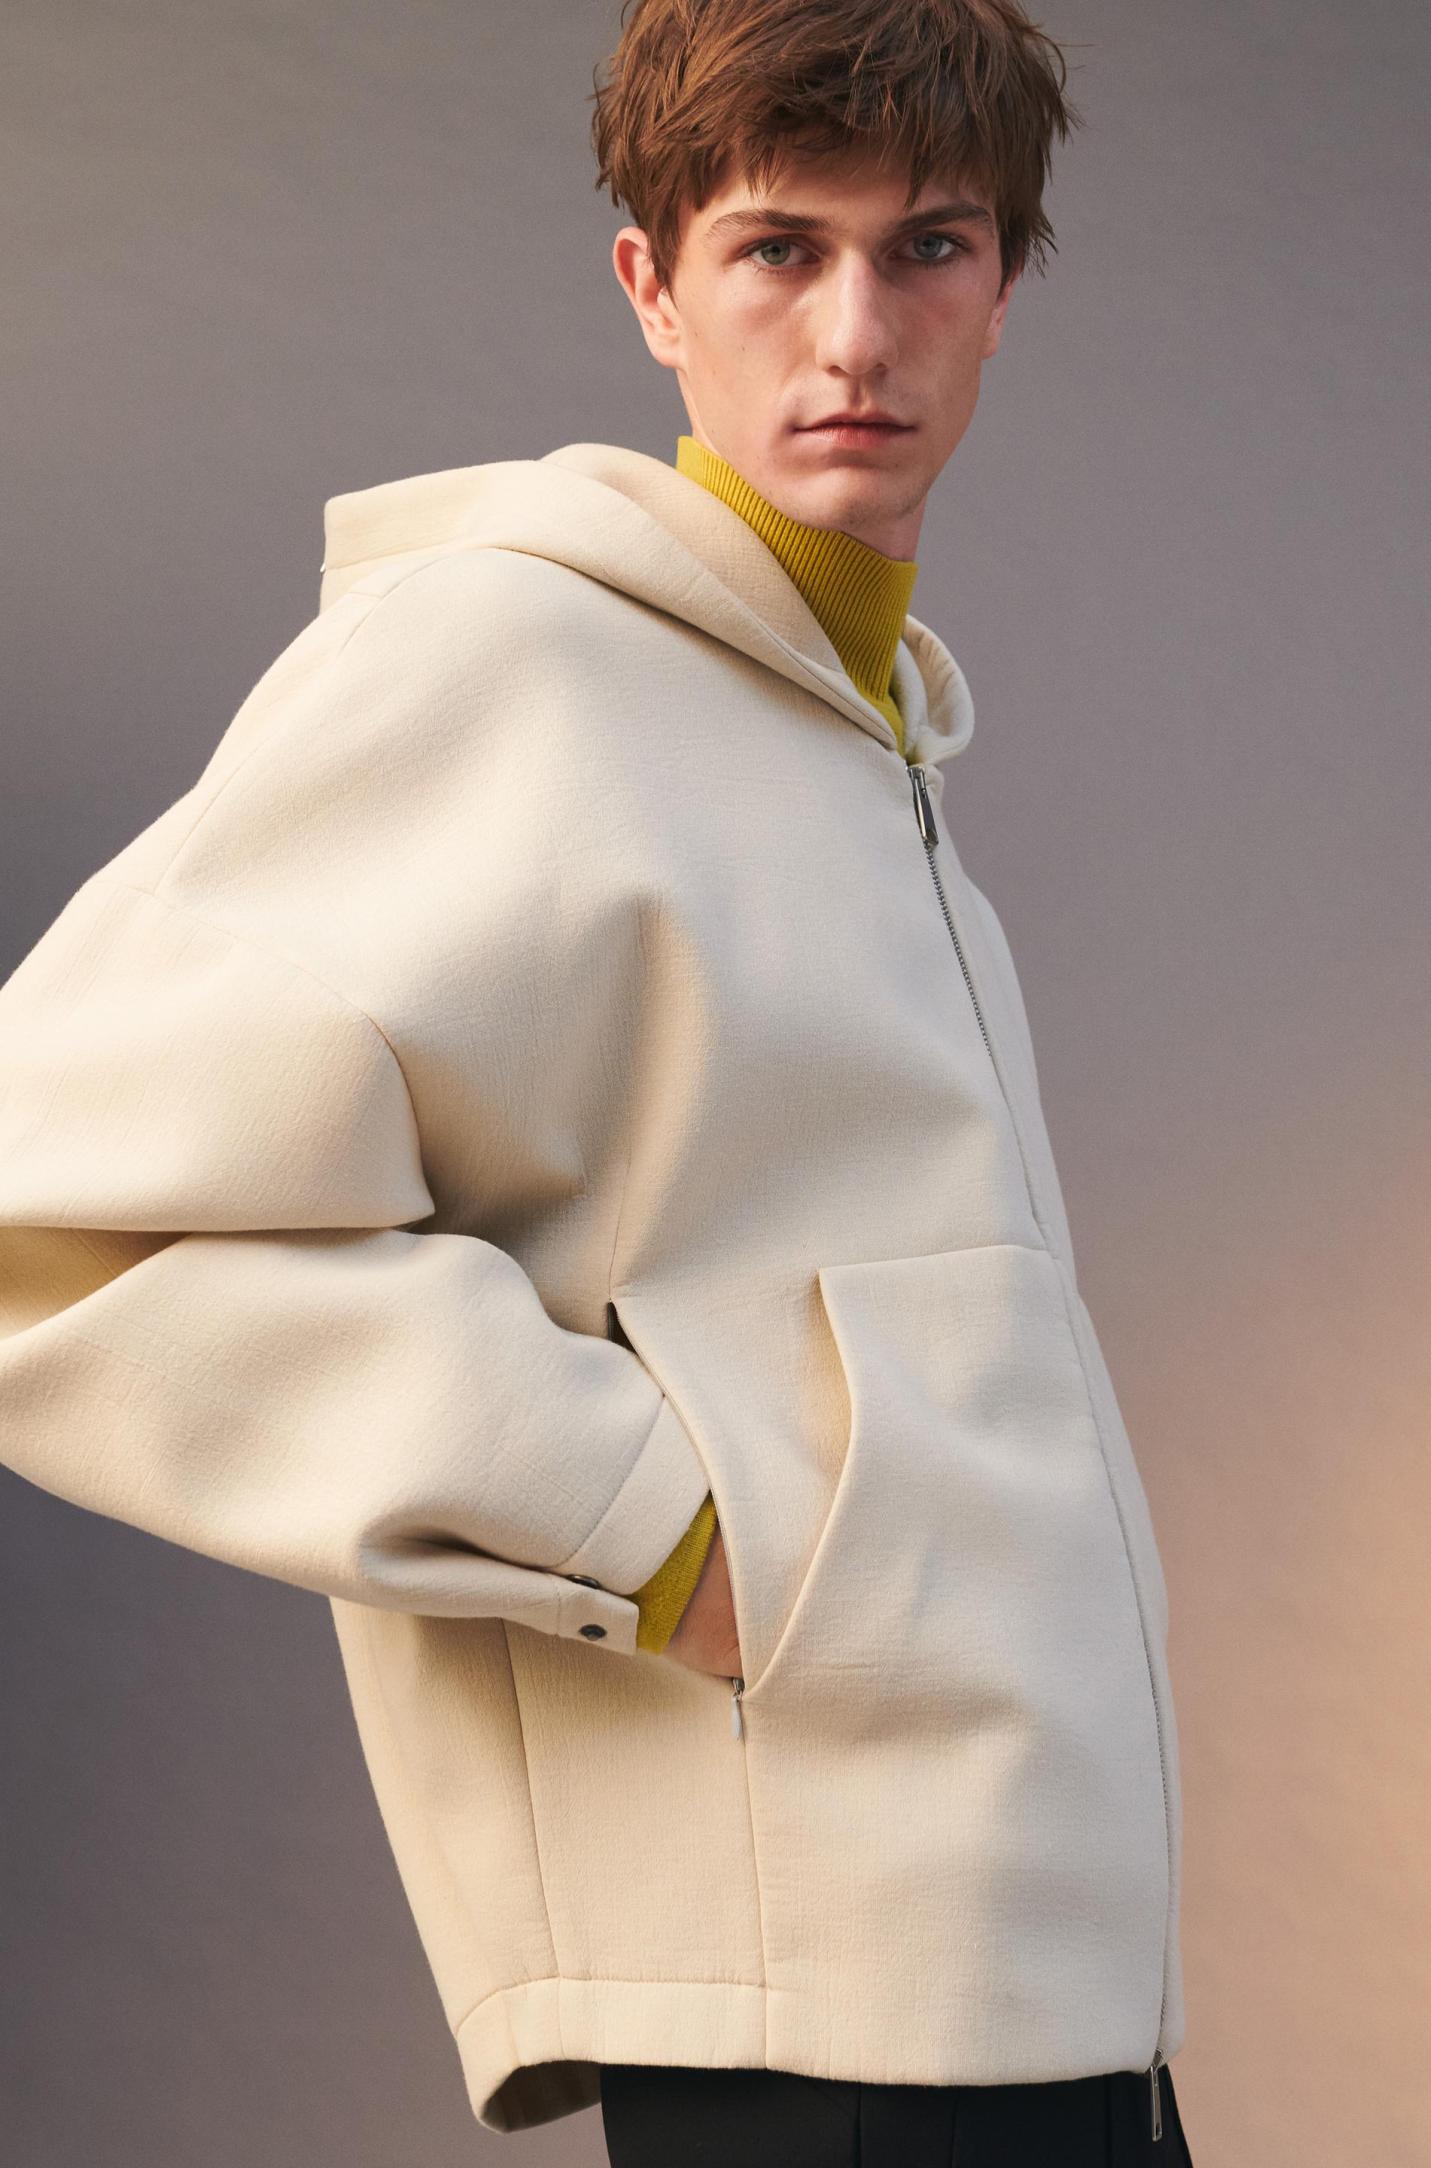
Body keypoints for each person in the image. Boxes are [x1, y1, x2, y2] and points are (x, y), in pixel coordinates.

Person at [0, 1, 1194, 2160]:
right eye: (776, 250)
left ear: (1005, 286)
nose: (857, 333)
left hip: (1028, 1959)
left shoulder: (858, 737)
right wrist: (661, 1534)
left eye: (928, 248)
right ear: (652, 285)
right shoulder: (516, 659)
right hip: (811, 2005)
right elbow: (45, 1211)